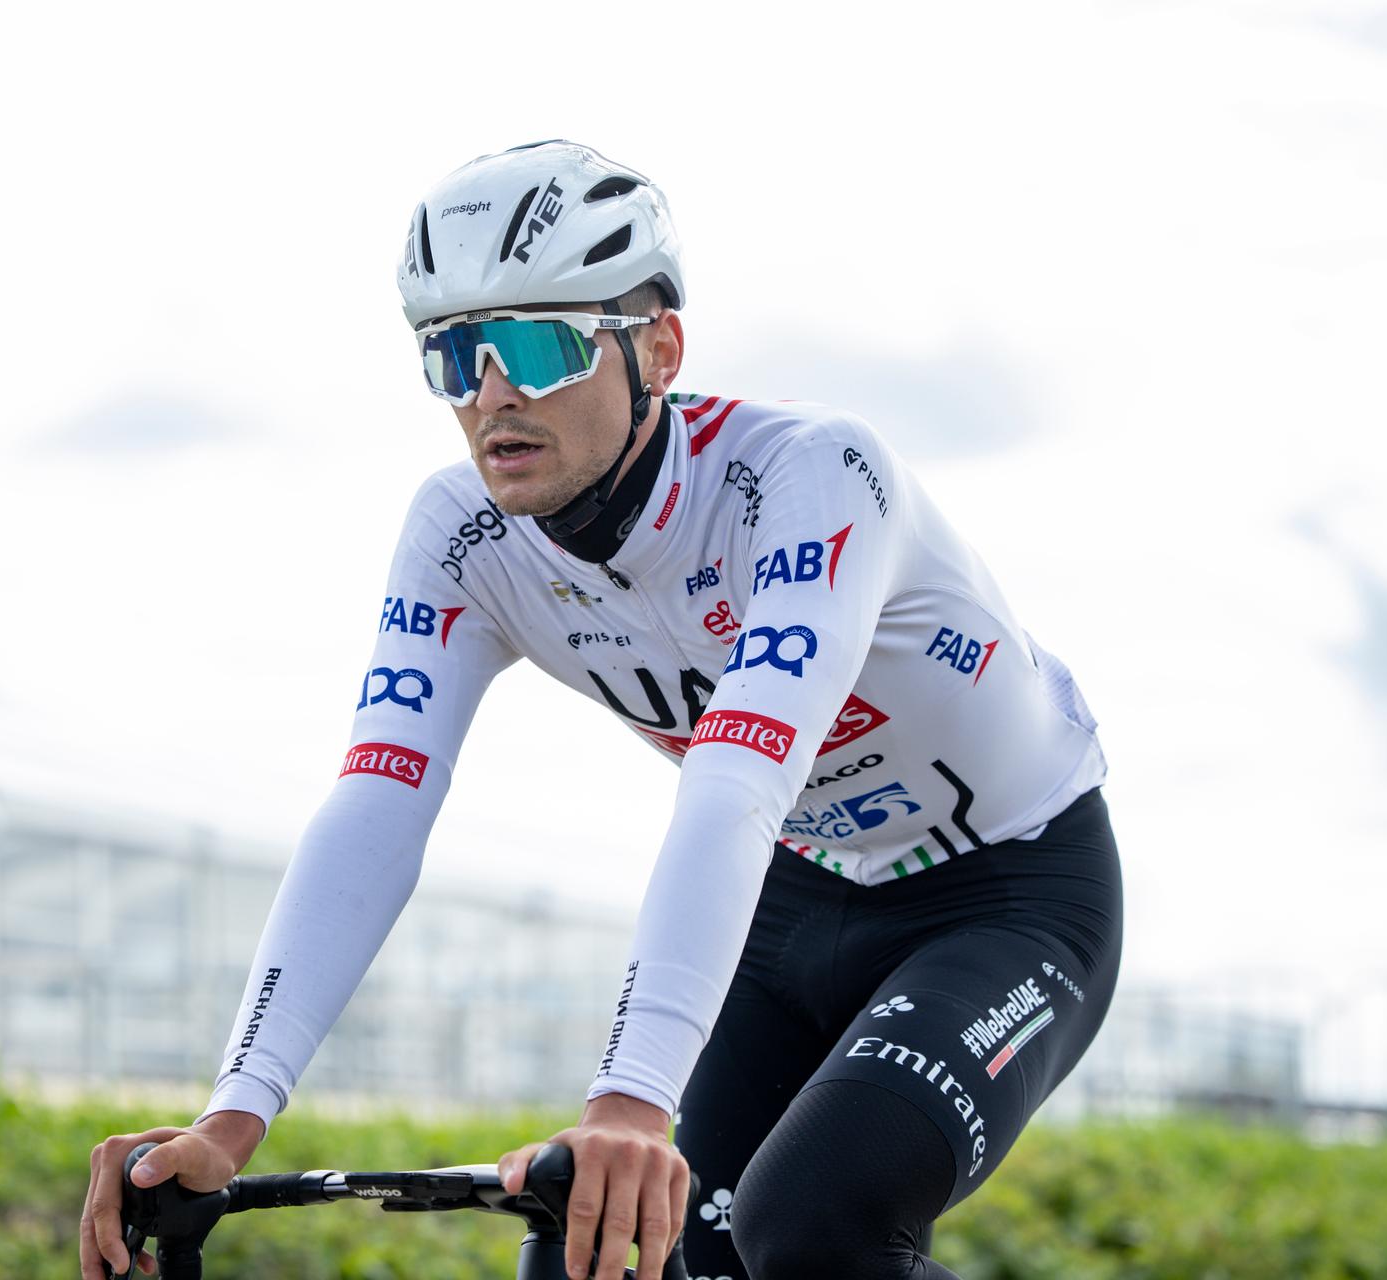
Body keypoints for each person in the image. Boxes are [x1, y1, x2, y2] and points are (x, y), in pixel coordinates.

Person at [80, 140, 1122, 1280]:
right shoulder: (460, 536)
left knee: (814, 1220)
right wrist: (232, 1117)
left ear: (658, 349)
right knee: (604, 1242)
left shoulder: (813, 478)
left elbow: (737, 774)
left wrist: (631, 1101)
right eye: (454, 353)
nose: (492, 395)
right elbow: (375, 806)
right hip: (797, 891)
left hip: (1007, 889)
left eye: (536, 342)